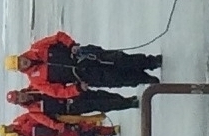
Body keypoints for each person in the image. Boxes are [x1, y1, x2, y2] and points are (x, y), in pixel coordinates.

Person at [11, 34, 163, 92]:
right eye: (20, 65)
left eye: (20, 60)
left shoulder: (38, 47)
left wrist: (72, 45)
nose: (23, 63)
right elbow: (57, 91)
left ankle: (151, 62)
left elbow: (59, 37)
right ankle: (145, 79)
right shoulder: (36, 81)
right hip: (82, 76)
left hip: (84, 55)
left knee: (119, 59)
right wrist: (76, 89)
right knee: (116, 79)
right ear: (20, 69)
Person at [7, 84, 138, 119]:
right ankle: (129, 104)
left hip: (74, 93)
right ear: (18, 103)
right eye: (18, 99)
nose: (21, 98)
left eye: (18, 95)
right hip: (72, 108)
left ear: (20, 91)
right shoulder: (34, 111)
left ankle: (126, 100)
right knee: (101, 104)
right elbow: (51, 122)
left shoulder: (35, 87)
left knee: (102, 94)